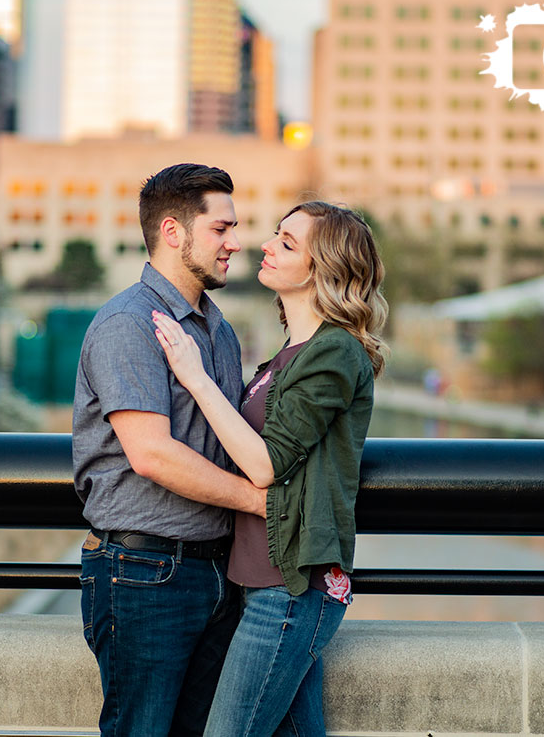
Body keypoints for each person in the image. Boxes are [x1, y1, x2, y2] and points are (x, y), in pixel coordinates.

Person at [152, 200, 387, 736]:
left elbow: (263, 464)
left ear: (323, 268)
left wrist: (194, 375)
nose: (265, 245)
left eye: (287, 242)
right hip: (260, 583)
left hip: (292, 589)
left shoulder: (335, 354)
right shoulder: (291, 354)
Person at [72, 163, 268, 737]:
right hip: (143, 573)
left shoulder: (219, 330)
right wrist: (262, 503)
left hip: (216, 572)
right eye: (221, 229)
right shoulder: (127, 324)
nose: (236, 242)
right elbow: (151, 454)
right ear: (173, 231)